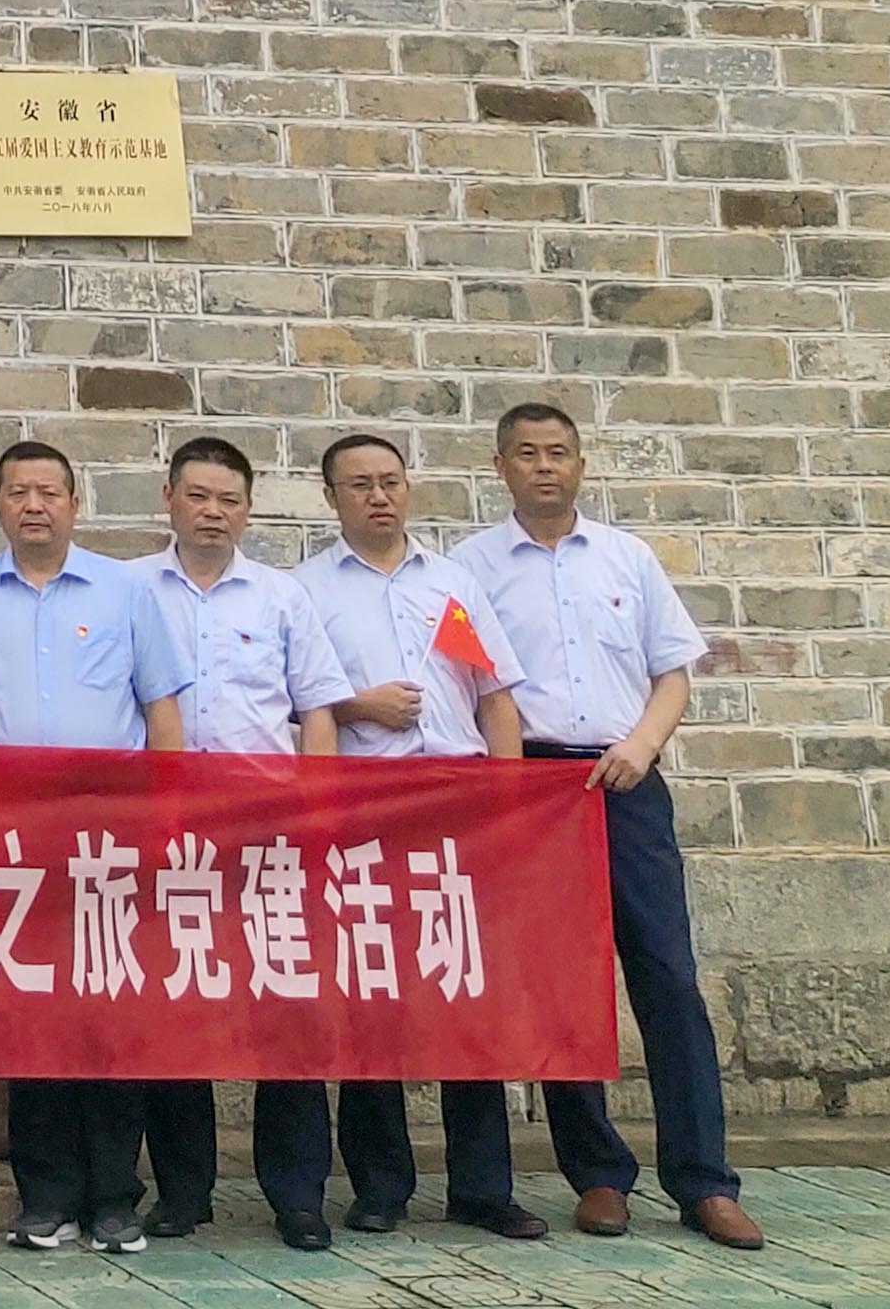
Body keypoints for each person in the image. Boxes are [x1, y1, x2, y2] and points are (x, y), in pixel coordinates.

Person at [451, 404, 765, 1252]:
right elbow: (472, 686)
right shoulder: (470, 569)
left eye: (558, 452)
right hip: (534, 788)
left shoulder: (627, 557)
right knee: (564, 985)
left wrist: (643, 744)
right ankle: (596, 1173)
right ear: (501, 467)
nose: (544, 466)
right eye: (527, 454)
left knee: (668, 978)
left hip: (627, 779)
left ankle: (705, 1181)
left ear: (581, 464)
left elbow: (673, 673)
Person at [283, 433, 546, 1250]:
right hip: (365, 803)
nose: (378, 496)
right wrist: (358, 705)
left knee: (467, 990)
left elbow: (495, 696)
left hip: (458, 800)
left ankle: (482, 1187)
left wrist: (508, 803)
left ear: (409, 489)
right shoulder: (307, 591)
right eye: (359, 484)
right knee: (373, 994)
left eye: (390, 481)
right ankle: (381, 1185)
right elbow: (292, 703)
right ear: (332, 498)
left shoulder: (451, 584)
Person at [0, 440, 188, 1257]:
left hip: (112, 830)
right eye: (17, 492)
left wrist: (167, 820)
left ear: (76, 504)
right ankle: (45, 1196)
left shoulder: (126, 591)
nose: (33, 505)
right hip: (12, 832)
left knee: (110, 1013)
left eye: (48, 491)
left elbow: (163, 713)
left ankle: (114, 1197)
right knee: (31, 1011)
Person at [123, 435, 353, 1243]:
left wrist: (316, 815)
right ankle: (183, 1191)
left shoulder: (281, 598)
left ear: (248, 511)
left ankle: (297, 1195)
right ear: (169, 500)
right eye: (198, 497)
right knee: (172, 1005)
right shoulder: (127, 590)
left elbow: (317, 711)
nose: (213, 513)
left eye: (229, 500)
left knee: (284, 1006)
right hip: (165, 824)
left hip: (266, 827)